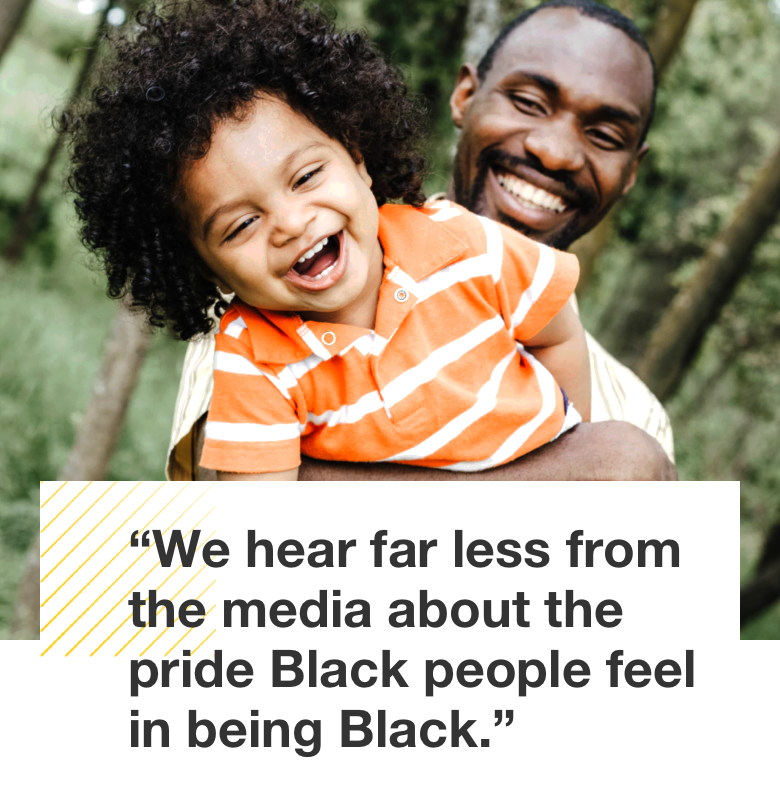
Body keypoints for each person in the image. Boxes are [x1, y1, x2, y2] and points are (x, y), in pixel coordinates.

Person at [63, 0, 594, 480]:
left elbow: (560, 335)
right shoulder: (256, 360)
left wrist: (576, 451)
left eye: (305, 177)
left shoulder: (462, 243)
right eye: (241, 225)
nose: (291, 223)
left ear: (358, 159)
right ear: (206, 269)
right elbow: (262, 534)